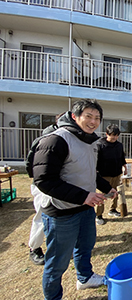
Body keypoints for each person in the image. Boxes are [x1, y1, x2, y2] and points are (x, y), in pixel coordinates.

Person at [32, 99, 117, 300]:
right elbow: (44, 180)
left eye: (97, 118)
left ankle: (85, 278)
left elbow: (89, 172)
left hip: (84, 208)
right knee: (57, 261)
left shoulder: (89, 141)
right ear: (74, 117)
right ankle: (53, 297)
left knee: (85, 247)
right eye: (88, 116)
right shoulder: (56, 140)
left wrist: (107, 188)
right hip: (60, 211)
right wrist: (84, 196)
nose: (93, 121)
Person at [27, 112, 65, 265]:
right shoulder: (45, 139)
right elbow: (31, 166)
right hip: (44, 185)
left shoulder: (68, 138)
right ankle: (34, 248)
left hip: (62, 184)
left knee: (61, 216)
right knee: (42, 217)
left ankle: (59, 244)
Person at [95, 124, 127, 225]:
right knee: (101, 195)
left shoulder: (119, 145)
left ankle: (112, 210)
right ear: (107, 134)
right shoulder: (100, 145)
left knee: (116, 193)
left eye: (117, 135)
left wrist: (125, 166)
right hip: (104, 175)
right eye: (113, 135)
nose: (115, 137)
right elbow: (95, 160)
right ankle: (98, 215)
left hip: (117, 173)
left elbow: (122, 157)